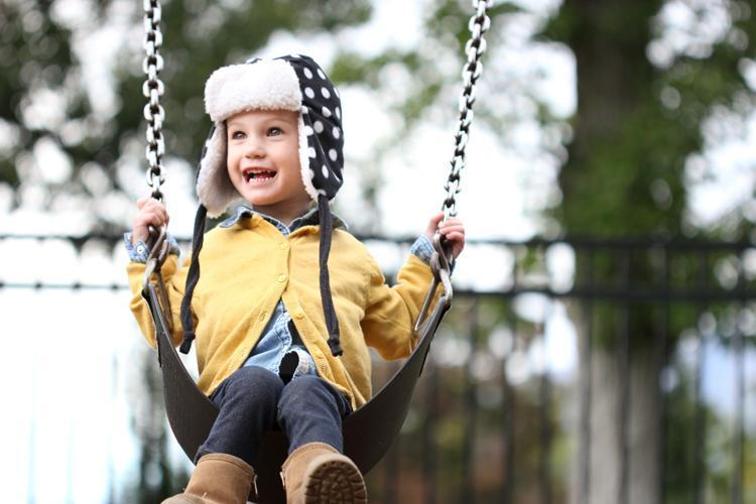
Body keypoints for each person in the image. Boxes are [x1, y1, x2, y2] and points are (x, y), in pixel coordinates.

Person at [125, 54, 465, 504]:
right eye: (238, 135)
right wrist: (148, 255)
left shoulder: (348, 255)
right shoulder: (214, 248)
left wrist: (431, 260)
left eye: (274, 132)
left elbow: (400, 330)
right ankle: (208, 495)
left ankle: (318, 486)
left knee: (309, 391)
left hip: (327, 397)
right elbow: (166, 325)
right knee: (253, 384)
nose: (253, 148)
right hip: (232, 394)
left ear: (312, 147)